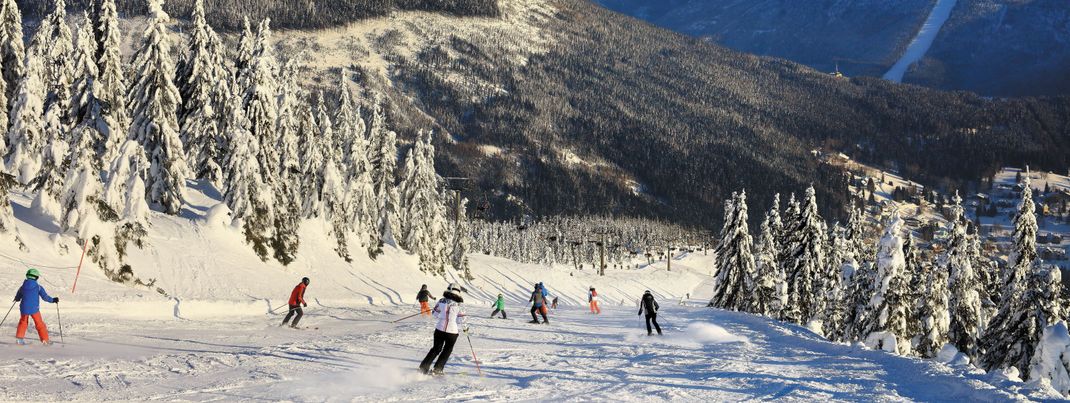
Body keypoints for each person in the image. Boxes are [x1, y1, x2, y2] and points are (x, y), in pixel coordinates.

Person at [419, 283, 467, 375]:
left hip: (439, 329)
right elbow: (462, 320)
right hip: (452, 332)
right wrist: (465, 329)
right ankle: (438, 369)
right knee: (447, 350)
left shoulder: (441, 301)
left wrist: (438, 310)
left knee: (436, 349)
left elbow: (435, 314)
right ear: (458, 292)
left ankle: (423, 367)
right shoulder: (460, 305)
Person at [13, 269, 58, 345]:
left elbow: (18, 295)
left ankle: (19, 339)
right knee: (39, 323)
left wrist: (17, 298)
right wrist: (53, 300)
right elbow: (45, 297)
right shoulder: (38, 287)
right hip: (34, 309)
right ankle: (45, 340)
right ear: (36, 277)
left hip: (24, 308)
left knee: (23, 323)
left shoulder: (22, 287)